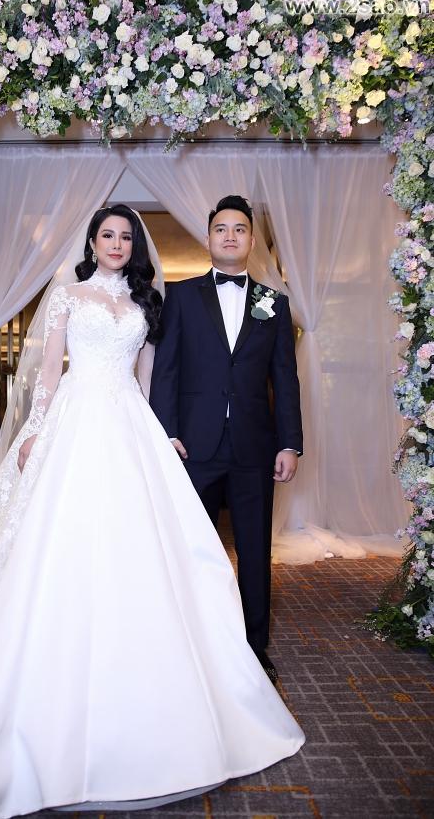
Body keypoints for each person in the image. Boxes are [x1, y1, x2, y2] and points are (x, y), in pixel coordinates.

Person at [0, 205, 304, 819]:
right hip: (74, 421)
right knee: (60, 542)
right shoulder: (67, 296)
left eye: (125, 236)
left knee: (148, 550)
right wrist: (36, 429)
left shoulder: (148, 304)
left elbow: (152, 376)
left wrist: (162, 433)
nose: (117, 243)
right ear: (92, 242)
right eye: (107, 235)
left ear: (135, 246)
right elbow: (47, 374)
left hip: (130, 425)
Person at [150, 195, 303, 685]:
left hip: (255, 449)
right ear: (208, 238)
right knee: (192, 550)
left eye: (239, 229)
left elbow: (285, 378)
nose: (230, 236)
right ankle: (193, 647)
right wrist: (166, 434)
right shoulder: (180, 297)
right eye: (221, 229)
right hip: (193, 448)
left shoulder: (274, 304)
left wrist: (289, 443)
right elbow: (166, 372)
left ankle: (254, 651)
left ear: (251, 240)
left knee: (255, 553)